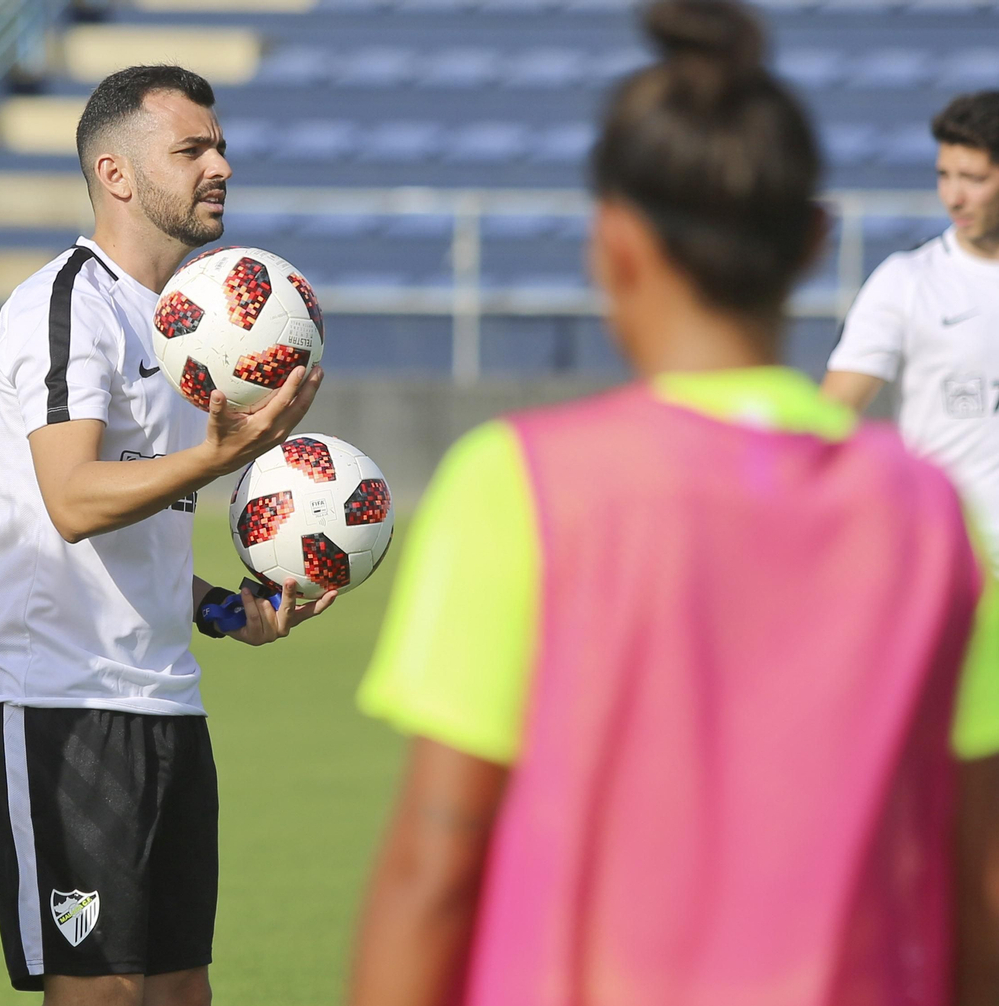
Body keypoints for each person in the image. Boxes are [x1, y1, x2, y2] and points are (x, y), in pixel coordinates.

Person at [348, 3, 999, 1004]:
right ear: (813, 243)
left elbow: (433, 875)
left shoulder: (517, 483)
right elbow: (974, 880)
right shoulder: (933, 519)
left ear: (611, 244)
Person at [0, 65, 330, 1006]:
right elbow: (74, 500)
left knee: (179, 991)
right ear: (116, 173)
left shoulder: (189, 331)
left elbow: (144, 538)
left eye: (220, 147)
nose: (222, 167)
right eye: (192, 149)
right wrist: (216, 458)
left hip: (166, 699)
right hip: (58, 701)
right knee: (103, 994)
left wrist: (224, 611)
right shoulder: (67, 306)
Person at [823, 91, 999, 566]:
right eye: (944, 175)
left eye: (973, 178)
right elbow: (831, 418)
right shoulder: (907, 282)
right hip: (953, 561)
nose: (954, 196)